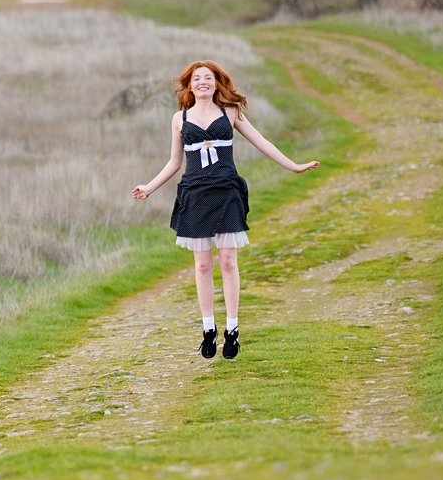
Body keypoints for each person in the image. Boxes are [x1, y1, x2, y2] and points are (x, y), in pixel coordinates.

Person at [131, 60, 317, 359]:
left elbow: (261, 142)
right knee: (203, 265)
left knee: (228, 261)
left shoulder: (230, 112)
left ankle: (232, 329)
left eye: (208, 77)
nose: (202, 82)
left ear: (216, 83)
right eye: (197, 78)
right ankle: (209, 329)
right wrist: (149, 187)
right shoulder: (179, 119)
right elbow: (175, 162)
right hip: (195, 193)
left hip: (227, 191)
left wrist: (294, 166)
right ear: (190, 86)